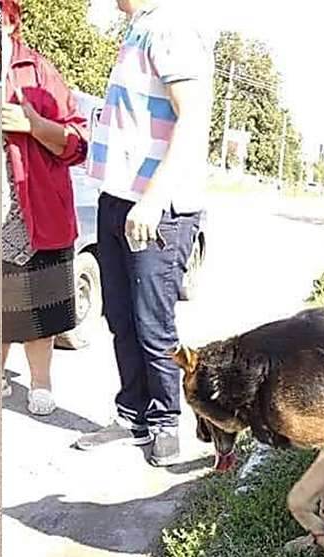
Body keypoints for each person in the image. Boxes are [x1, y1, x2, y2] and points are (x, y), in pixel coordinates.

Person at [75, 0, 214, 466]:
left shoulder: (171, 27)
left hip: (157, 205)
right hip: (117, 197)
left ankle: (166, 420)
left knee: (154, 326)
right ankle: (130, 415)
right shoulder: (139, 28)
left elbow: (193, 117)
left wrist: (153, 199)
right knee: (120, 319)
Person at [1, 0, 88, 415]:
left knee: (40, 306)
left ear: (9, 20)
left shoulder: (38, 71)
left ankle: (41, 381)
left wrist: (32, 125)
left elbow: (78, 143)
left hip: (35, 207)